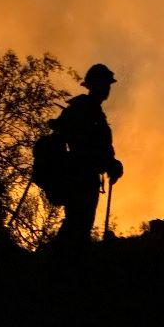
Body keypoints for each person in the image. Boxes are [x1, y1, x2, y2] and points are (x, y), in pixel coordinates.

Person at [53, 63, 123, 245]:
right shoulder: (85, 110)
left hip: (83, 176)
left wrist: (111, 163)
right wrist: (110, 163)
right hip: (81, 177)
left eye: (108, 84)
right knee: (78, 225)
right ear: (96, 84)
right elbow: (88, 146)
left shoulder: (88, 110)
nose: (108, 88)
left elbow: (96, 146)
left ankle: (62, 262)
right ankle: (62, 265)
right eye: (105, 84)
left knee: (78, 225)